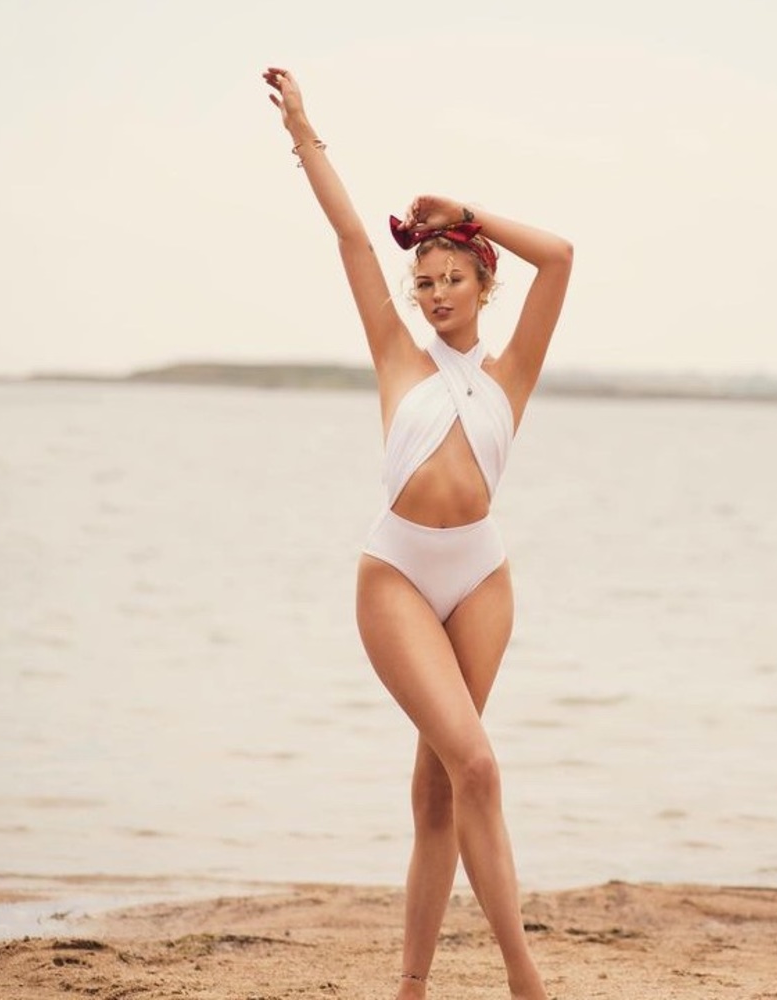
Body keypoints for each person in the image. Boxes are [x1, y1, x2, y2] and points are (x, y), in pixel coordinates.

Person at [263, 66, 573, 1000]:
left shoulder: (513, 369)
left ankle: (411, 985)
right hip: (396, 571)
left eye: (452, 280)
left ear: (484, 284)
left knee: (441, 787)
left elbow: (557, 257)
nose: (435, 295)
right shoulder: (398, 354)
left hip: (482, 577)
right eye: (425, 281)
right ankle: (525, 979)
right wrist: (306, 133)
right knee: (475, 760)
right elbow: (355, 237)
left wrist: (470, 208)